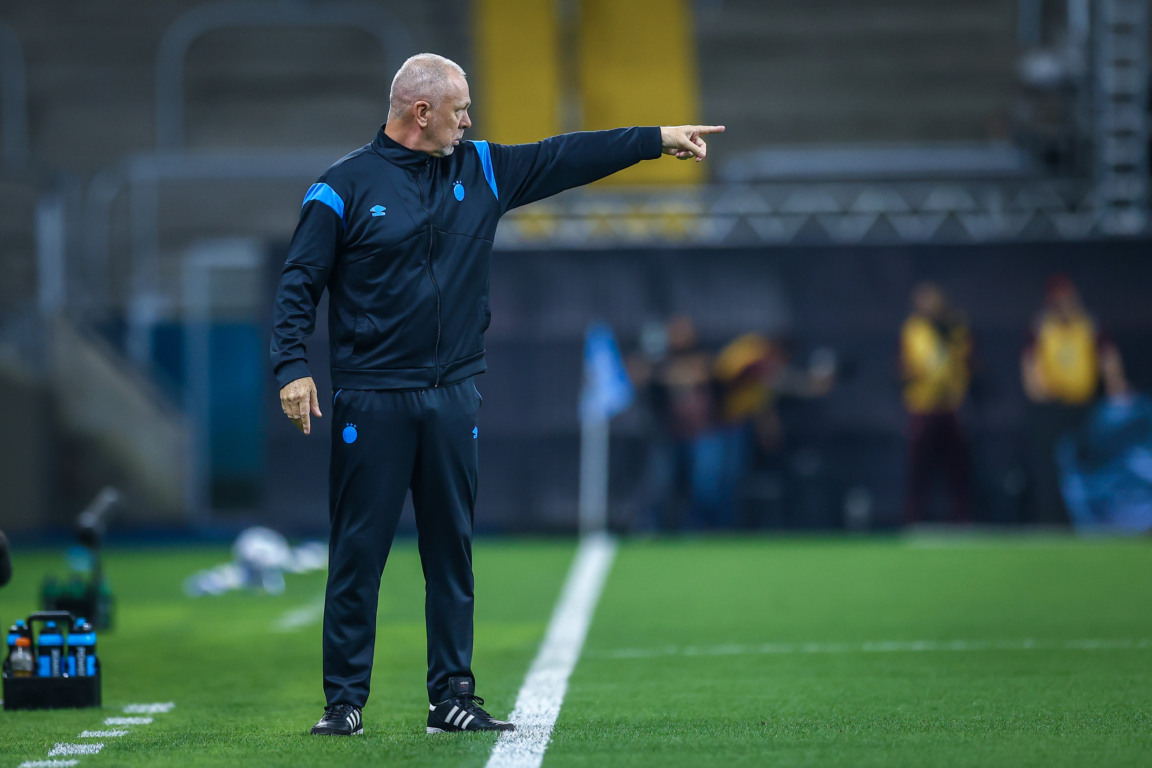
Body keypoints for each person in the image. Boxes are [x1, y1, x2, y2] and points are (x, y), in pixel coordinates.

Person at [270, 53, 723, 736]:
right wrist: (290, 366)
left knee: (451, 551)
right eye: (461, 108)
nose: (470, 120)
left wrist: (653, 138)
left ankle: (452, 696)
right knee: (359, 552)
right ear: (421, 112)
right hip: (373, 397)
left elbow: (563, 156)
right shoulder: (341, 188)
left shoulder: (480, 169)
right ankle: (344, 703)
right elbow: (298, 283)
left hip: (452, 396)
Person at [1020, 274, 1127, 524]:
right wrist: (1036, 387)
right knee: (1050, 467)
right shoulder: (1041, 325)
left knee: (1090, 464)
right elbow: (1030, 361)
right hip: (1052, 406)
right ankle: (1051, 519)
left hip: (1085, 405)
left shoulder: (1089, 323)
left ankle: (1093, 519)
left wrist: (1116, 385)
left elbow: (1108, 358)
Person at [899, 282, 972, 524]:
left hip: (950, 406)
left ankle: (961, 517)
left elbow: (965, 361)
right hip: (923, 406)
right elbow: (907, 366)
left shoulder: (954, 327)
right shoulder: (913, 329)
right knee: (919, 468)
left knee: (957, 467)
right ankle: (915, 518)